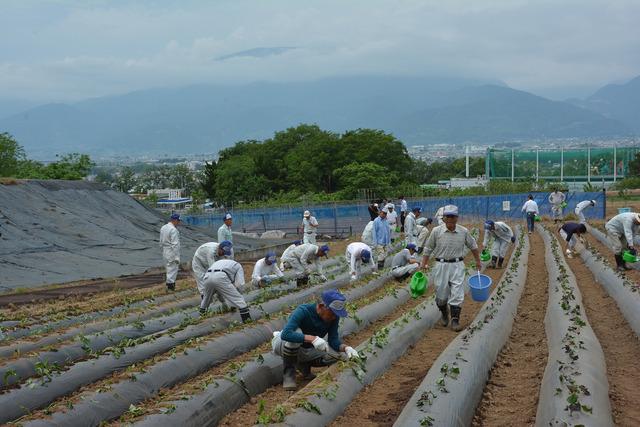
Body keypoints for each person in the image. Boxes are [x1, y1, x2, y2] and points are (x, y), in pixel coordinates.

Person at [271, 289, 359, 390]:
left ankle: (303, 365)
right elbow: (286, 334)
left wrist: (346, 348)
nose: (334, 317)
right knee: (297, 334)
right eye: (332, 313)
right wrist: (312, 339)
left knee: (340, 356)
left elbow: (333, 340)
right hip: (283, 344)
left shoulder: (333, 318)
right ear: (321, 306)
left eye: (336, 314)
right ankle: (289, 375)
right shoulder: (303, 311)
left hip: (306, 350)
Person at [421, 205, 481, 332]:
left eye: (453, 216)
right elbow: (428, 248)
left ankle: (455, 320)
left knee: (457, 292)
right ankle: (444, 312)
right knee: (441, 294)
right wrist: (424, 263)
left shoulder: (463, 231)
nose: (450, 219)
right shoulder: (437, 231)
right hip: (441, 265)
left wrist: (478, 261)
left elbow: (473, 246)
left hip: (457, 265)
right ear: (444, 218)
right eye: (448, 216)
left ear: (457, 218)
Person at [159, 213, 181, 291]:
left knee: (168, 269)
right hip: (171, 251)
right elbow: (175, 244)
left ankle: (169, 287)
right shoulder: (173, 230)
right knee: (172, 269)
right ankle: (170, 288)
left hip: (165, 250)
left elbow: (161, 241)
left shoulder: (163, 227)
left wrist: (163, 250)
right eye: (178, 221)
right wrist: (176, 256)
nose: (179, 222)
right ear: (174, 220)